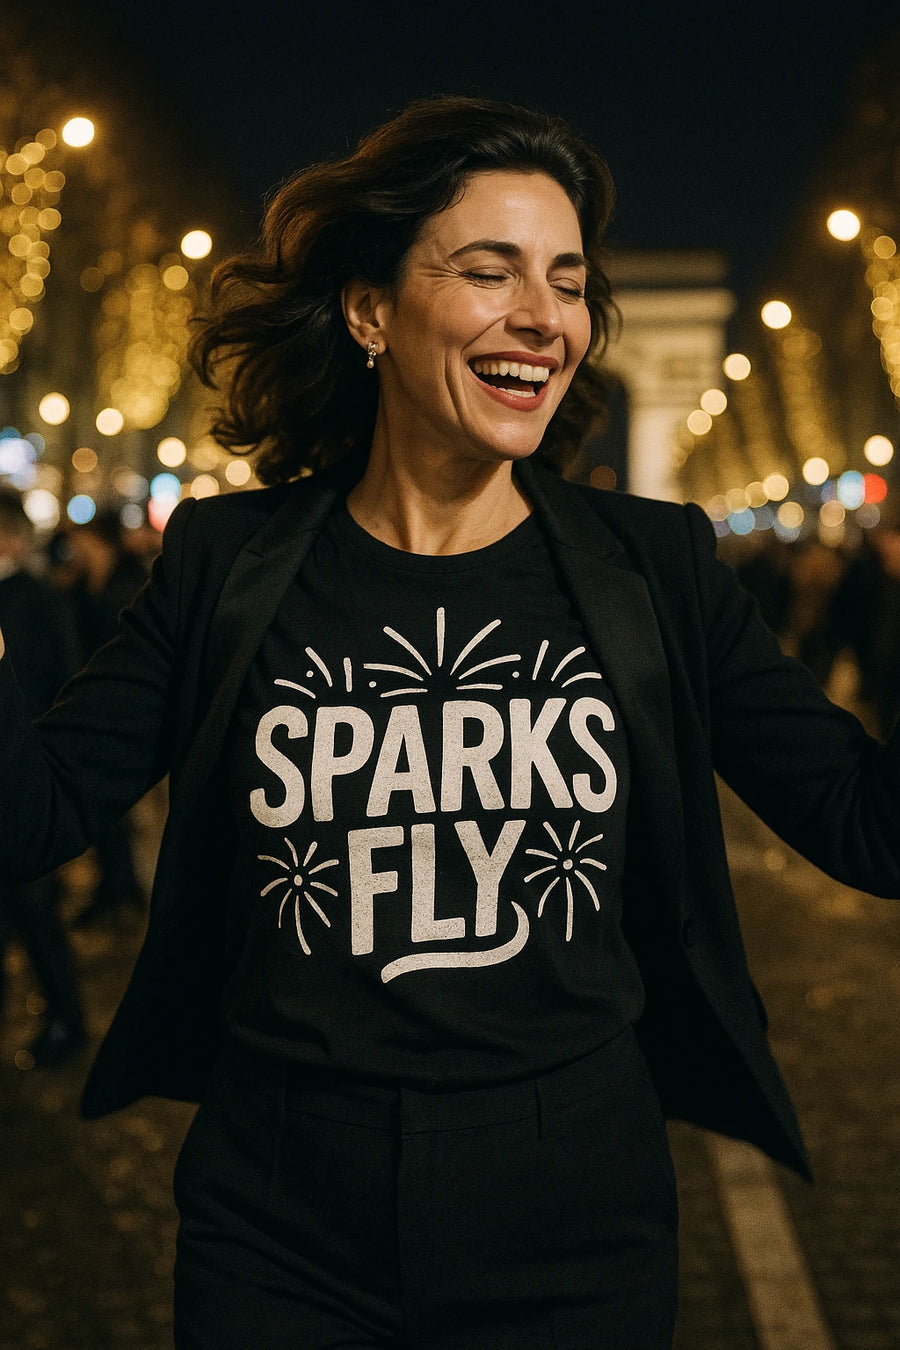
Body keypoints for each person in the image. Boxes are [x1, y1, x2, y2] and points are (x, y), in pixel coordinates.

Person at [1, 96, 899, 1349]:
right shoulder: (225, 563)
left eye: (570, 282)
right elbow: (31, 810)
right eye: (491, 271)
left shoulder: (657, 568)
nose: (546, 315)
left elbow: (871, 827)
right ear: (370, 310)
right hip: (278, 1222)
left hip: (574, 1219)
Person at [0, 488, 85, 1066]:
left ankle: (66, 1019)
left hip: (20, 778)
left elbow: (62, 676)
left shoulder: (33, 599)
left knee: (34, 911)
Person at [61, 509, 149, 926]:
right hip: (91, 703)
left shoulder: (128, 586)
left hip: (122, 710)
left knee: (118, 804)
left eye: (83, 543)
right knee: (105, 806)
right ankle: (116, 885)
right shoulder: (81, 585)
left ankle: (122, 887)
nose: (76, 550)